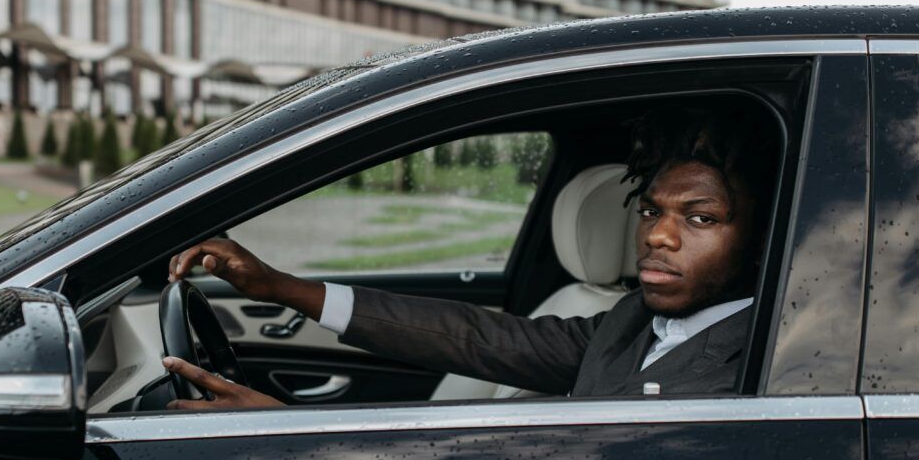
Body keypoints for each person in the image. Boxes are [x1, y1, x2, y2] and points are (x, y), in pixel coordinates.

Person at [160, 102, 779, 410]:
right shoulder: (631, 320)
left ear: (762, 240)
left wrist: (287, 431)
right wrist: (281, 287)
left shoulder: (759, 365)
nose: (658, 236)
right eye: (649, 211)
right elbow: (480, 337)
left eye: (701, 218)